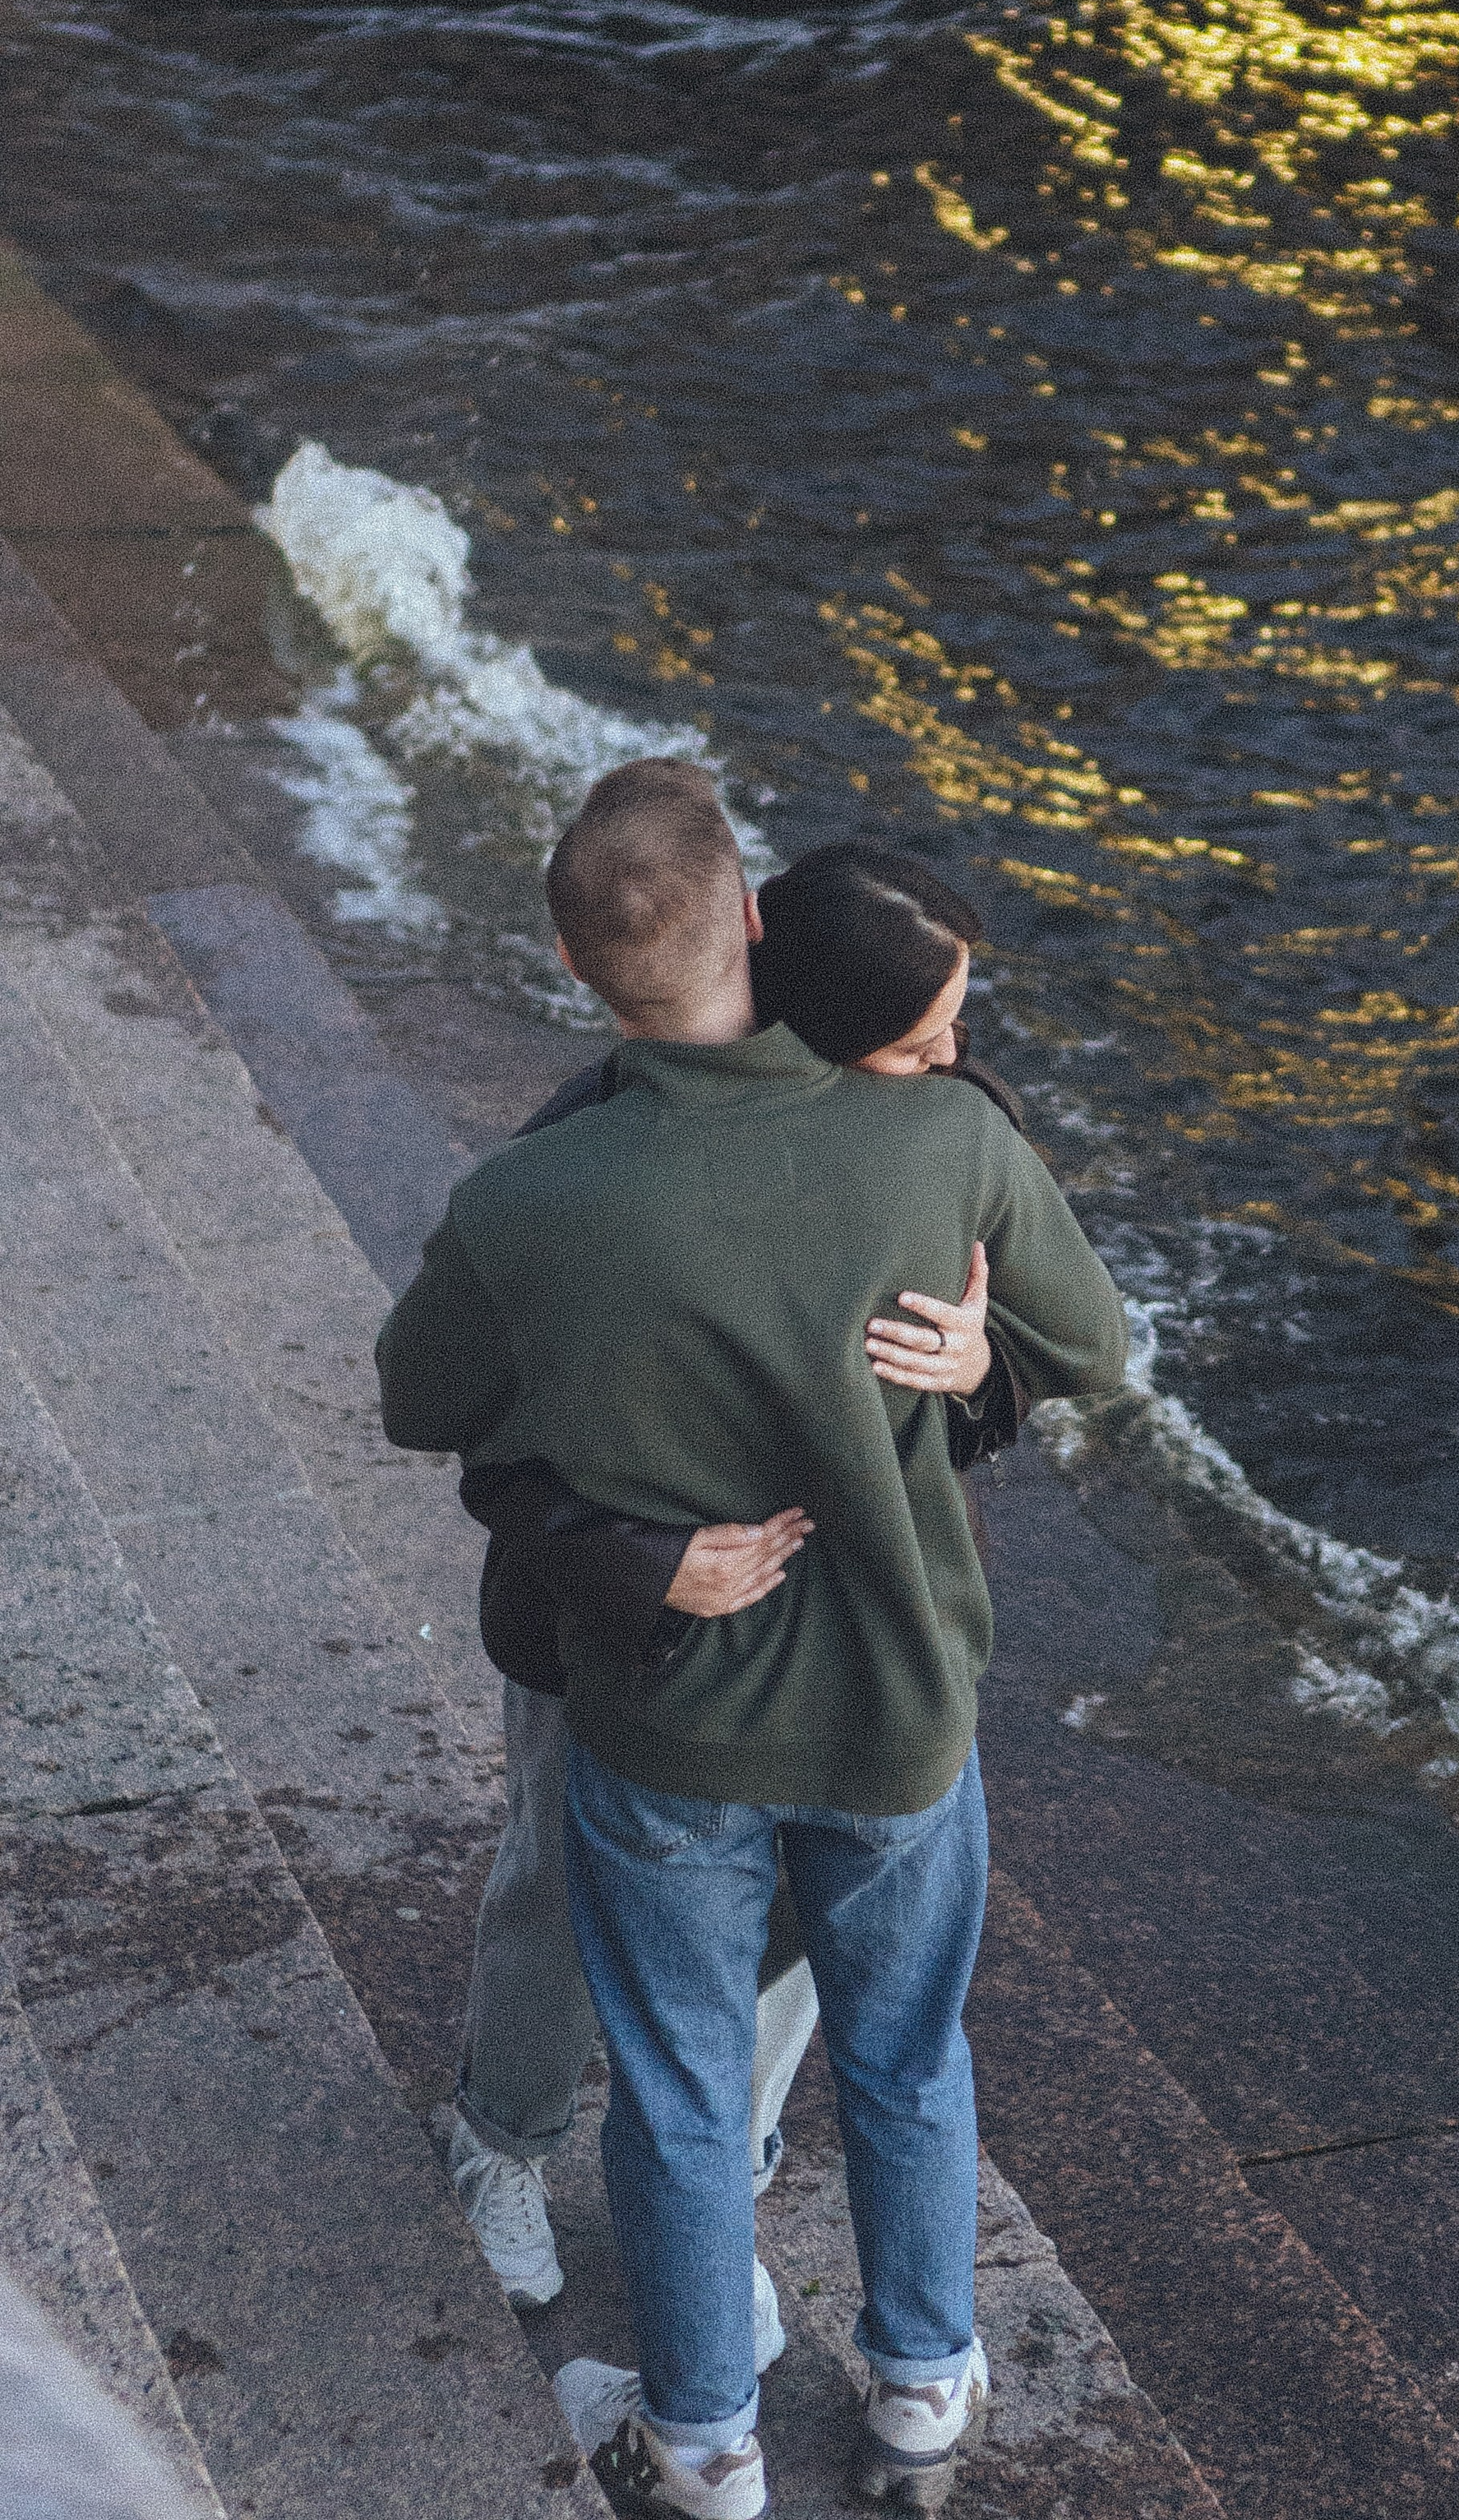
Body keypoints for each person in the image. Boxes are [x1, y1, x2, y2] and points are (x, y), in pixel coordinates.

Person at [377, 763, 1125, 2518]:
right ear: (756, 918)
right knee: (906, 2057)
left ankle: (702, 2444)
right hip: (895, 1715)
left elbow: (427, 1404)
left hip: (671, 1723)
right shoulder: (947, 1141)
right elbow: (1093, 1344)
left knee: (682, 2092)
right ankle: (924, 2388)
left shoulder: (532, 1198)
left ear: (575, 966)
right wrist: (984, 1358)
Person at [441, 844, 1034, 2335]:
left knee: (790, 1949)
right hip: (629, 1629)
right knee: (555, 1884)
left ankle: (716, 2190)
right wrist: (644, 1562)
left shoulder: (939, 1113)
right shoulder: (592, 1139)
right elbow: (479, 1417)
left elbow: (1029, 1309)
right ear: (760, 941)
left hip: (850, 1619)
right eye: (922, 1040)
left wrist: (982, 1368)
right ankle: (503, 2141)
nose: (948, 1060)